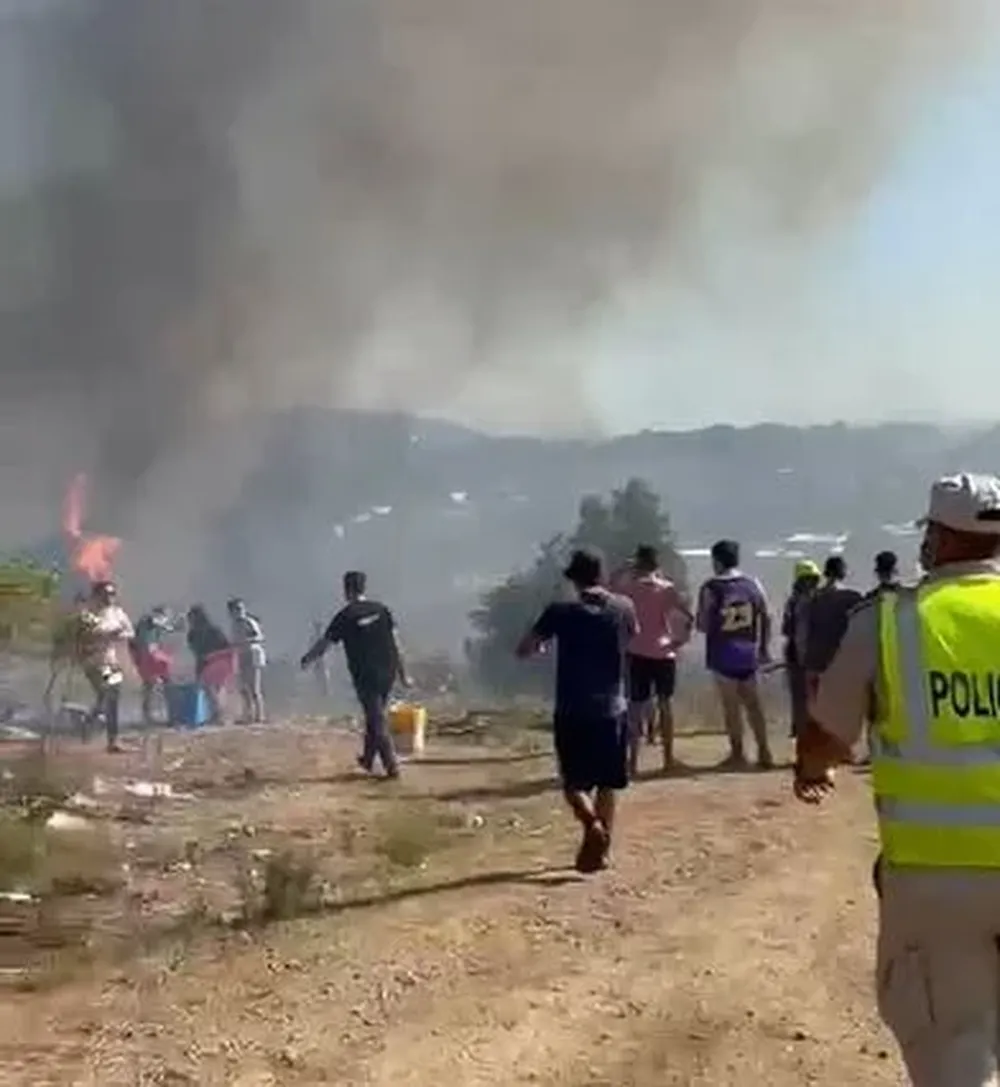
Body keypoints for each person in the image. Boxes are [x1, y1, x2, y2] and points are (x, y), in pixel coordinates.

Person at [796, 472, 1000, 1086]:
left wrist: (811, 767)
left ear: (938, 538)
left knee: (959, 1049)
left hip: (939, 884)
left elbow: (826, 735)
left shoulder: (891, 623)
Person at [517, 547, 636, 873]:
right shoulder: (624, 607)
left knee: (573, 783)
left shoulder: (560, 611)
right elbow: (632, 639)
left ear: (575, 580)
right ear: (601, 575)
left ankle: (591, 825)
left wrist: (541, 645)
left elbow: (524, 648)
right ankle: (604, 848)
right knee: (609, 783)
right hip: (613, 706)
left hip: (573, 708)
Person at [300, 571, 410, 779]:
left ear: (346, 590)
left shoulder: (345, 616)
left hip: (365, 674)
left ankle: (391, 767)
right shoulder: (382, 610)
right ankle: (368, 759)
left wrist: (308, 658)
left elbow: (325, 644)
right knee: (375, 715)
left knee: (376, 719)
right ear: (364, 588)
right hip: (388, 670)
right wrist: (404, 673)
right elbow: (397, 643)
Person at [611, 544, 693, 776]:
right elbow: (688, 616)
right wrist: (679, 641)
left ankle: (632, 761)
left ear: (637, 564)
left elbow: (608, 588)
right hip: (664, 650)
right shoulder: (667, 589)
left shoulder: (629, 589)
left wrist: (622, 569)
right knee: (665, 704)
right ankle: (668, 759)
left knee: (636, 706)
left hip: (636, 650)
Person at [696, 540, 773, 769]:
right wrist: (764, 647)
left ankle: (738, 753)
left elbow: (702, 623)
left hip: (722, 653)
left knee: (731, 708)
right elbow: (767, 614)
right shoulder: (753, 584)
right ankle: (764, 750)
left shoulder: (711, 587)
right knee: (754, 706)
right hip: (748, 651)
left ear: (717, 561)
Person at [77, 580, 134, 753]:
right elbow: (85, 634)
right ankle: (92, 726)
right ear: (97, 596)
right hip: (93, 661)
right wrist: (105, 634)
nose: (109, 598)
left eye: (112, 594)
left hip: (110, 661)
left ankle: (108, 737)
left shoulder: (117, 613)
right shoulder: (88, 614)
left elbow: (131, 632)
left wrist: (118, 635)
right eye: (105, 594)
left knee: (111, 700)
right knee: (106, 695)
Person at [781, 559, 821, 739]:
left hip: (798, 656)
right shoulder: (820, 600)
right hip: (812, 656)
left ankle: (801, 729)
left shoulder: (793, 601)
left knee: (800, 697)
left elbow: (786, 629)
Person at [130, 605, 176, 725]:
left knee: (154, 685)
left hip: (148, 656)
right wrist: (167, 625)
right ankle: (149, 715)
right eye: (166, 616)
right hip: (146, 656)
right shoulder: (148, 621)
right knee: (153, 685)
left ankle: (165, 712)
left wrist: (169, 627)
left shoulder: (154, 626)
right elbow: (155, 622)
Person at [186, 605, 231, 724]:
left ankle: (219, 715)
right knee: (211, 691)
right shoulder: (193, 634)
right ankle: (216, 714)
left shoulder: (213, 631)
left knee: (215, 690)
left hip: (216, 663)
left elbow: (225, 647)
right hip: (205, 664)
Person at [227, 598, 266, 724]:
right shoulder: (234, 624)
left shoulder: (248, 622)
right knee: (243, 688)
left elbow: (259, 637)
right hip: (242, 654)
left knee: (254, 687)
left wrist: (246, 641)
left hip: (252, 654)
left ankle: (260, 716)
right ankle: (248, 714)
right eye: (236, 609)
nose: (240, 611)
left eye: (241, 608)